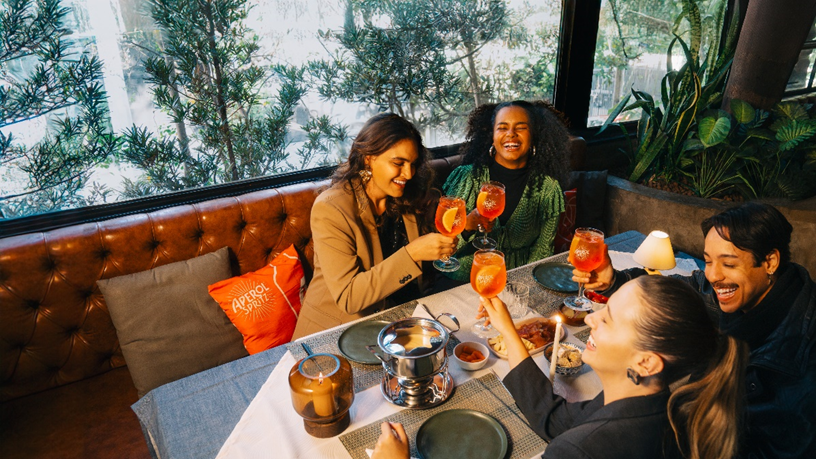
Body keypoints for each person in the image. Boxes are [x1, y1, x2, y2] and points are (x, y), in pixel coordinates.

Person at [371, 275, 748, 459]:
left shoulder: (582, 450)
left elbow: (566, 437)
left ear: (646, 361)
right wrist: (507, 328)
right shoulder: (655, 404)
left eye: (610, 318)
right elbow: (553, 417)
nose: (591, 320)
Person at [573, 202, 816, 459]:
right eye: (708, 260)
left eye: (729, 264)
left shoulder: (801, 363)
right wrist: (615, 281)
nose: (712, 275)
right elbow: (678, 292)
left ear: (769, 262)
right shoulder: (746, 292)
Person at [292, 114, 457, 339]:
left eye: (413, 164)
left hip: (393, 324)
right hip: (335, 333)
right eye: (398, 163)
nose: (408, 174)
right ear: (369, 157)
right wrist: (413, 253)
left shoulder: (403, 197)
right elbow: (349, 298)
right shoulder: (331, 208)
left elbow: (428, 240)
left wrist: (462, 230)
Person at [438, 100, 570, 285]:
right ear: (491, 135)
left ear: (534, 135)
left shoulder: (548, 189)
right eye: (502, 127)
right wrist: (466, 227)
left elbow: (543, 251)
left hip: (518, 282)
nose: (511, 134)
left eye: (521, 128)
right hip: (463, 282)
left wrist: (524, 288)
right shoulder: (468, 178)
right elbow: (442, 251)